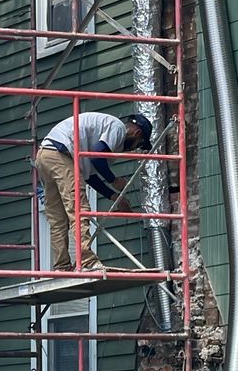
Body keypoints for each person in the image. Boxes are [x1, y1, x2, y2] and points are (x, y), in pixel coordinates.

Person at [35, 111, 153, 272]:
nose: (134, 149)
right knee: (79, 209)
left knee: (58, 218)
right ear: (137, 132)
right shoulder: (117, 128)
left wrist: (114, 197)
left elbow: (90, 175)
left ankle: (61, 266)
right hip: (61, 153)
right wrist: (114, 180)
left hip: (45, 154)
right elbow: (97, 158)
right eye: (139, 144)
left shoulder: (105, 136)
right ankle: (87, 261)